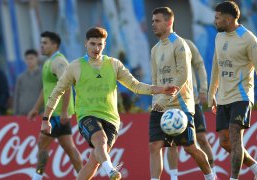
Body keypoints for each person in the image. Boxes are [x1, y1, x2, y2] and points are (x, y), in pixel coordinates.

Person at [40, 27, 179, 180]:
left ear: (105, 45)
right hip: (87, 115)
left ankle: (106, 167)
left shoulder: (114, 64)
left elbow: (136, 86)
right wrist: (46, 119)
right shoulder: (75, 66)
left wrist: (162, 89)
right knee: (100, 140)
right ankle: (111, 170)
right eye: (93, 44)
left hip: (111, 119)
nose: (96, 48)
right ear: (86, 43)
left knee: (93, 162)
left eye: (100, 44)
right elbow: (57, 91)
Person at [208, 1, 257, 180]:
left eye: (217, 17)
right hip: (223, 97)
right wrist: (211, 93)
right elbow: (216, 66)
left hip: (242, 96)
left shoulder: (249, 39)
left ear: (228, 19)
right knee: (224, 141)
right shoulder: (219, 37)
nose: (214, 21)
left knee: (236, 137)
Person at [149, 7, 215, 180]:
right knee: (155, 145)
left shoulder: (180, 44)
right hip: (160, 106)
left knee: (190, 147)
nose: (153, 24)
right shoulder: (155, 49)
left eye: (157, 21)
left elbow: (184, 75)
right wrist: (156, 100)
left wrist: (202, 89)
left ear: (169, 22)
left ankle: (210, 176)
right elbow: (156, 80)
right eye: (152, 21)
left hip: (180, 105)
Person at [28, 31, 82, 180]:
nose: (42, 46)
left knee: (42, 144)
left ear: (54, 45)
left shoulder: (59, 62)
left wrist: (64, 111)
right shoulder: (48, 62)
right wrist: (35, 108)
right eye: (41, 43)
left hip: (57, 114)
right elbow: (46, 89)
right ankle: (85, 176)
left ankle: (37, 177)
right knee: (69, 148)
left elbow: (67, 86)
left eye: (45, 43)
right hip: (54, 113)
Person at [166, 39, 217, 180]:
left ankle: (213, 173)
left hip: (191, 101)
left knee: (201, 139)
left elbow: (199, 65)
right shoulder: (159, 49)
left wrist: (203, 89)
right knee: (172, 144)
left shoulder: (187, 44)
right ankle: (174, 177)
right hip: (171, 103)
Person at [13, 49, 42, 115]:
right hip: (23, 114)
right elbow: (17, 96)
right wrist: (15, 113)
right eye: (27, 59)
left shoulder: (43, 76)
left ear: (37, 59)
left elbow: (47, 95)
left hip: (39, 114)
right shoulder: (21, 77)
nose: (29, 61)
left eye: (31, 58)